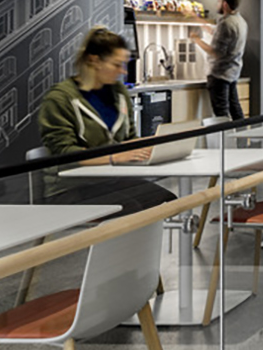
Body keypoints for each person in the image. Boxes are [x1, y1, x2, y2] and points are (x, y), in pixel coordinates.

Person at [36, 27, 176, 215]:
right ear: (94, 61)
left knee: (166, 201)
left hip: (108, 179)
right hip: (70, 189)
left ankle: (139, 245)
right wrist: (114, 157)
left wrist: (155, 144)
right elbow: (65, 153)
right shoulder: (60, 98)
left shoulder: (118, 92)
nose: (123, 72)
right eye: (117, 65)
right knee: (132, 209)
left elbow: (128, 138)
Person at [189, 0, 248, 121]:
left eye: (219, 1)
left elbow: (216, 52)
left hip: (219, 75)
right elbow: (214, 32)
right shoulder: (240, 21)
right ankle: (242, 140)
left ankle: (225, 141)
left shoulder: (226, 24)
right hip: (232, 73)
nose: (217, 4)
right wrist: (194, 16)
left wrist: (196, 39)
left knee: (221, 115)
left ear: (225, 4)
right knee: (236, 110)